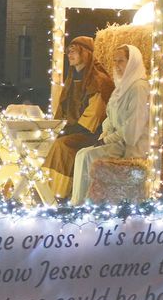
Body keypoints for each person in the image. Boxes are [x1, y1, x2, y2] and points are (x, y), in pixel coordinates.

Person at [70, 44, 149, 205]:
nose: (117, 66)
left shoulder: (138, 88)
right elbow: (110, 118)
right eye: (115, 61)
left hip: (130, 146)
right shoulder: (121, 87)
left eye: (121, 61)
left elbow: (132, 129)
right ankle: (76, 202)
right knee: (81, 153)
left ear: (132, 62)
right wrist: (105, 134)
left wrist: (107, 140)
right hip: (118, 141)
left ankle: (85, 204)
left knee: (88, 156)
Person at [43, 36, 114, 198]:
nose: (70, 54)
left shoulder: (99, 80)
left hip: (93, 134)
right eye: (69, 51)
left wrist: (69, 130)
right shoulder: (72, 78)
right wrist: (58, 127)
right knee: (49, 143)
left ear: (86, 53)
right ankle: (44, 189)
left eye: (75, 51)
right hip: (74, 130)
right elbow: (63, 108)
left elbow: (95, 114)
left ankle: (57, 193)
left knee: (62, 146)